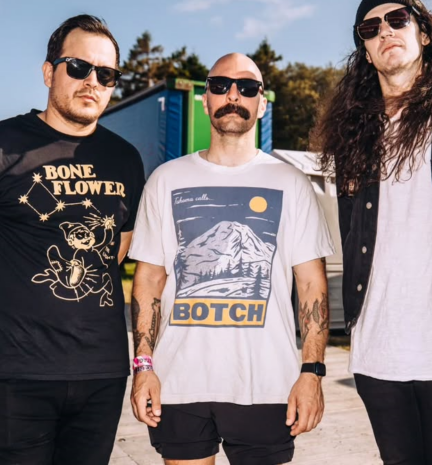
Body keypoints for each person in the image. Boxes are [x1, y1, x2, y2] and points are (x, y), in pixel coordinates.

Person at [128, 52, 334, 465]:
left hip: (267, 385)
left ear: (262, 103)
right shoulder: (165, 180)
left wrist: (312, 373)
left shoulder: (291, 183)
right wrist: (143, 367)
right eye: (220, 86)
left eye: (248, 87)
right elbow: (148, 280)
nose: (233, 95)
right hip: (178, 383)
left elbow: (312, 284)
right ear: (206, 100)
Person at [315, 0, 432, 465]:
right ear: (365, 51)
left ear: (424, 33)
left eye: (398, 19)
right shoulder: (353, 134)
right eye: (371, 28)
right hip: (377, 346)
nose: (385, 30)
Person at [0, 15, 145, 464]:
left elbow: (118, 251)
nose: (93, 81)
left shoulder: (125, 159)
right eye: (79, 67)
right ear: (48, 72)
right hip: (14, 374)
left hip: (101, 373)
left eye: (106, 74)